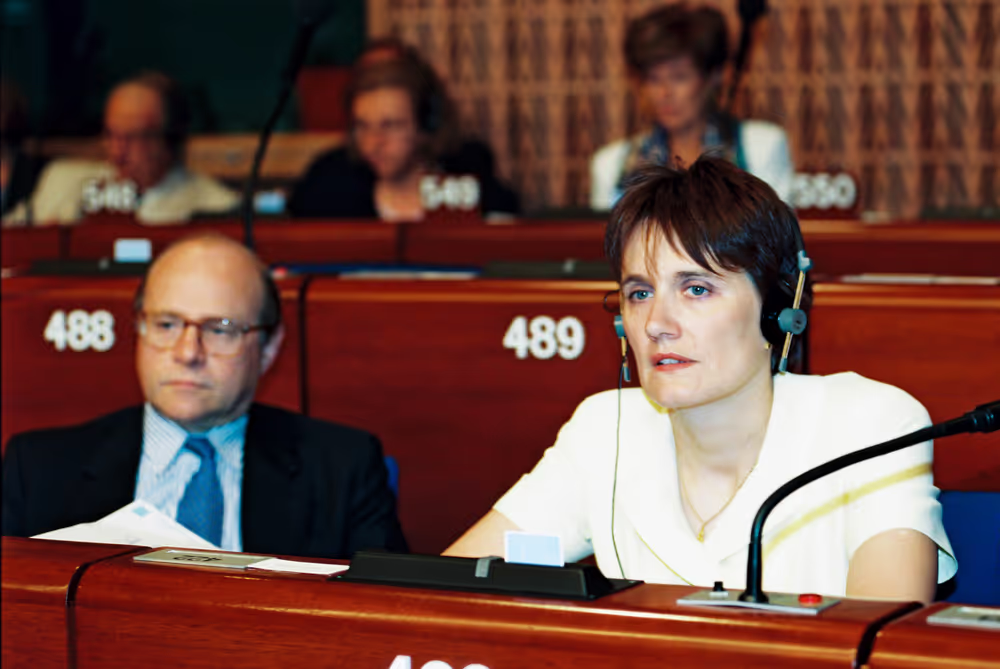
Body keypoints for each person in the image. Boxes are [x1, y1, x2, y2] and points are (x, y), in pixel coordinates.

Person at [446, 157, 955, 602]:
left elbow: (881, 638)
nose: (657, 324)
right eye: (640, 294)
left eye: (696, 288)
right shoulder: (605, 428)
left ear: (779, 310)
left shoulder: (870, 424)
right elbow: (446, 591)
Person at [2, 234, 407, 558]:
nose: (187, 353)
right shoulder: (39, 471)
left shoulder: (342, 469)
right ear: (139, 330)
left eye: (219, 329)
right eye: (166, 324)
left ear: (268, 347)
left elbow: (387, 622)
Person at [590, 3, 793, 210]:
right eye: (653, 79)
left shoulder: (760, 148)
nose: (664, 93)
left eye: (679, 78)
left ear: (713, 76)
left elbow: (777, 238)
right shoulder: (612, 164)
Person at [289, 45, 519, 221]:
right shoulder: (329, 197)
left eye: (390, 125)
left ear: (426, 125)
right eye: (362, 126)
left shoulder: (467, 190)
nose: (373, 143)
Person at [2, 72, 238, 226]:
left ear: (169, 141)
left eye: (132, 137)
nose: (117, 151)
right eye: (111, 135)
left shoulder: (213, 206)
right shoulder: (63, 182)